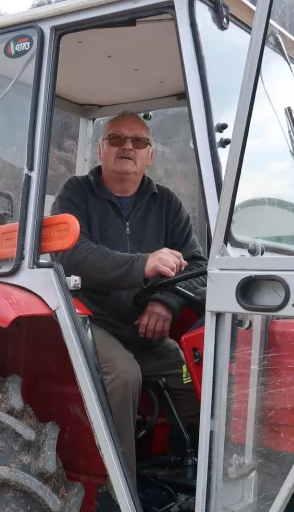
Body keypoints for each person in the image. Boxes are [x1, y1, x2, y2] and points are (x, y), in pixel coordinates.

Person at [51, 111, 206, 483]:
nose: (127, 147)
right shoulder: (76, 194)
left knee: (191, 377)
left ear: (149, 155)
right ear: (101, 150)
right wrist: (144, 264)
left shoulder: (167, 204)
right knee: (123, 375)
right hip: (89, 321)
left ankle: (190, 481)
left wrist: (165, 302)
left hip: (145, 330)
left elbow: (197, 265)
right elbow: (73, 254)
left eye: (138, 142)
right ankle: (119, 492)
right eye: (117, 139)